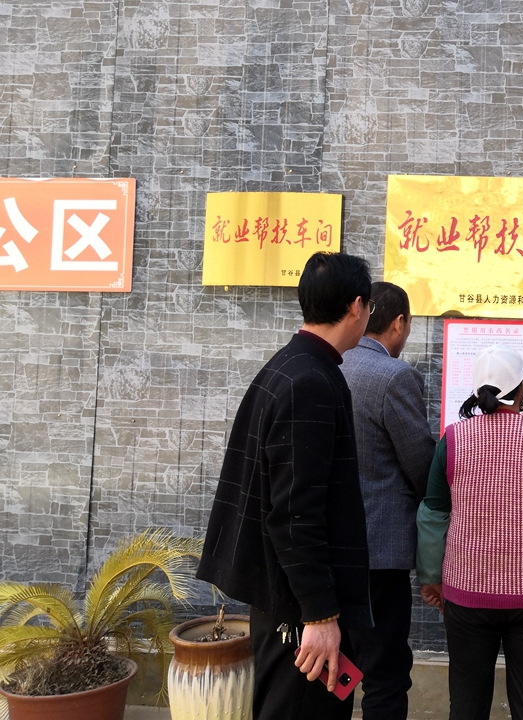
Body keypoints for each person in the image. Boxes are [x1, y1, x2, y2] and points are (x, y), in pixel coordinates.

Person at [198, 252, 375, 720]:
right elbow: (294, 513)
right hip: (298, 613)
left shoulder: (293, 365)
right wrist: (320, 614)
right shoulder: (309, 381)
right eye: (370, 307)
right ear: (357, 306)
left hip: (287, 601)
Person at [416, 345, 523, 720]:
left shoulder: (454, 439)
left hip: (466, 593)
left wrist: (430, 577)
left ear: (477, 392)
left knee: (466, 705)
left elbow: (433, 515)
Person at [340, 281, 436, 720]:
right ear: (399, 322)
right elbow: (420, 463)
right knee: (384, 673)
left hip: (327, 551)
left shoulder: (330, 363)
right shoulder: (394, 376)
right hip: (379, 554)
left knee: (336, 667)